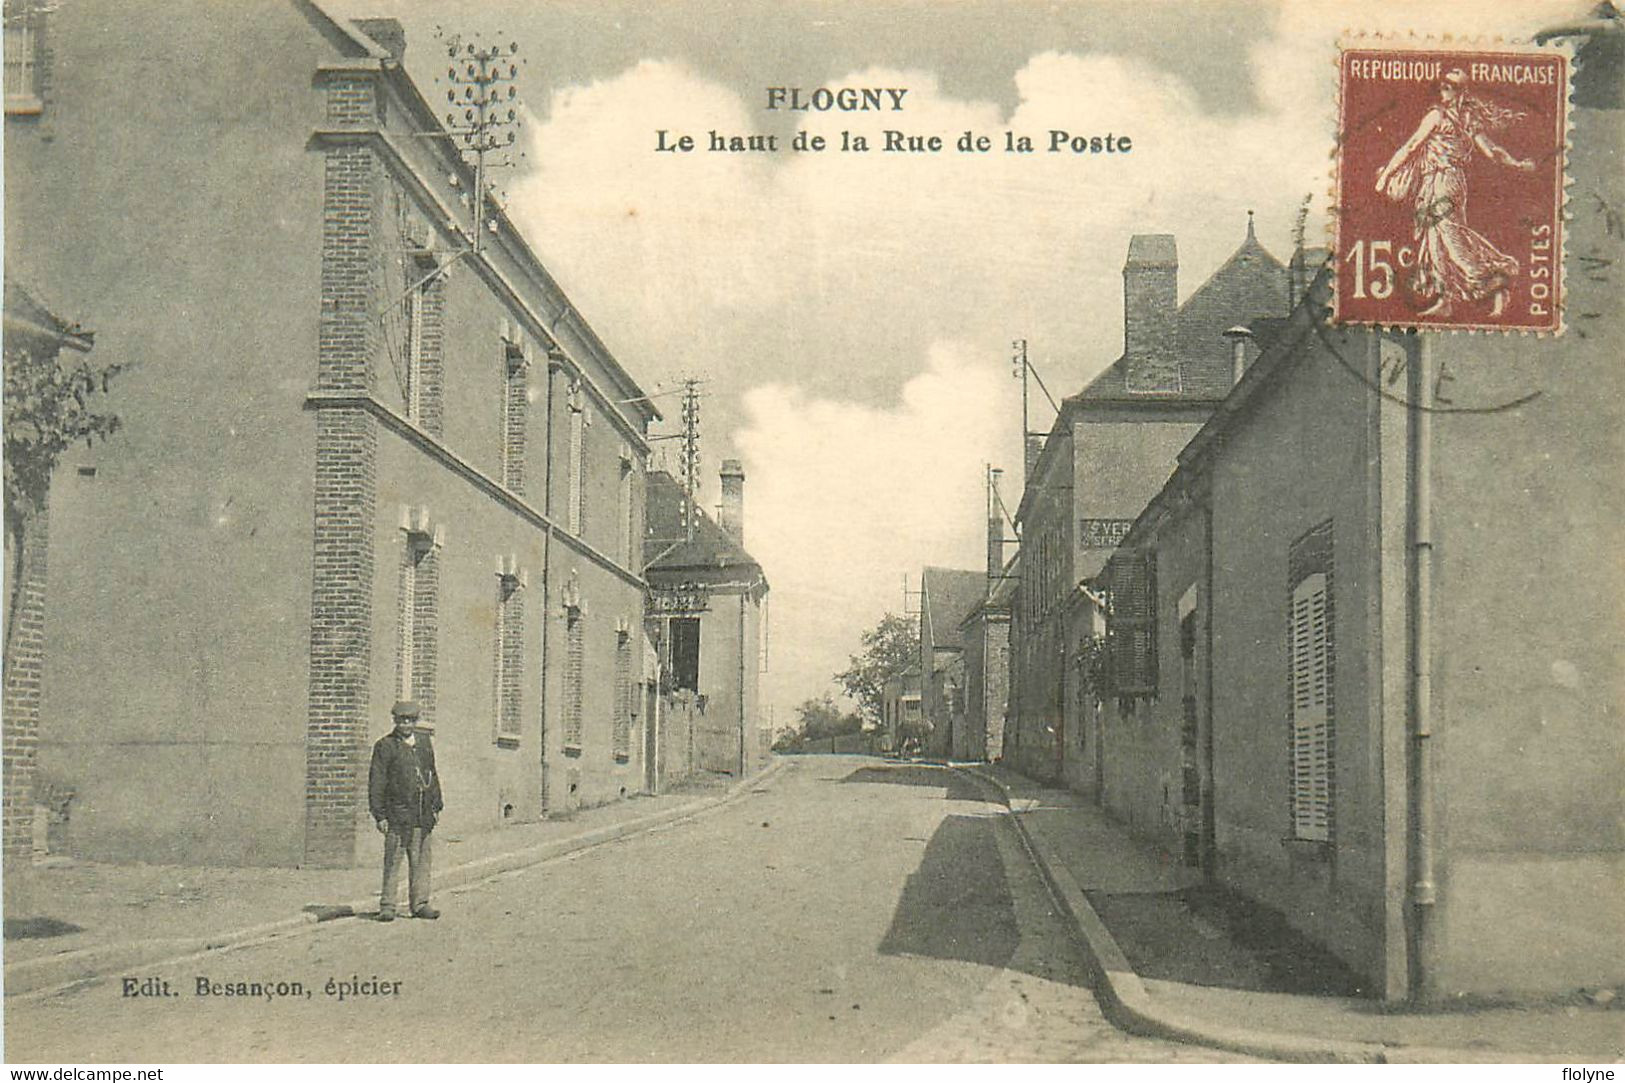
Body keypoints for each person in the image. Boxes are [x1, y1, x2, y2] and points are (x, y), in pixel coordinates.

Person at [1374, 68, 1536, 318]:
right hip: (1441, 182)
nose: (1443, 88)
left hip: (1444, 180)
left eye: (1449, 85)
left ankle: (1493, 278)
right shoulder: (1467, 119)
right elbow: (1491, 149)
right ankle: (1446, 298)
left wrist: (1386, 176)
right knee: (1435, 240)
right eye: (1442, 84)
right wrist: (1516, 163)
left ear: (1460, 90)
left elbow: (1412, 146)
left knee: (1450, 235)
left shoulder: (1437, 116)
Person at [368, 700, 444, 921]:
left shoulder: (423, 743)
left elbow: (433, 774)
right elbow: (377, 782)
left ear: (416, 721)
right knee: (393, 860)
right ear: (395, 721)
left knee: (421, 861)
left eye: (410, 720)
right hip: (397, 814)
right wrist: (379, 814)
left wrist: (437, 804)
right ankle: (388, 905)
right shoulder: (385, 746)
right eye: (401, 720)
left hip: (422, 813)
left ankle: (420, 904)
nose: (406, 725)